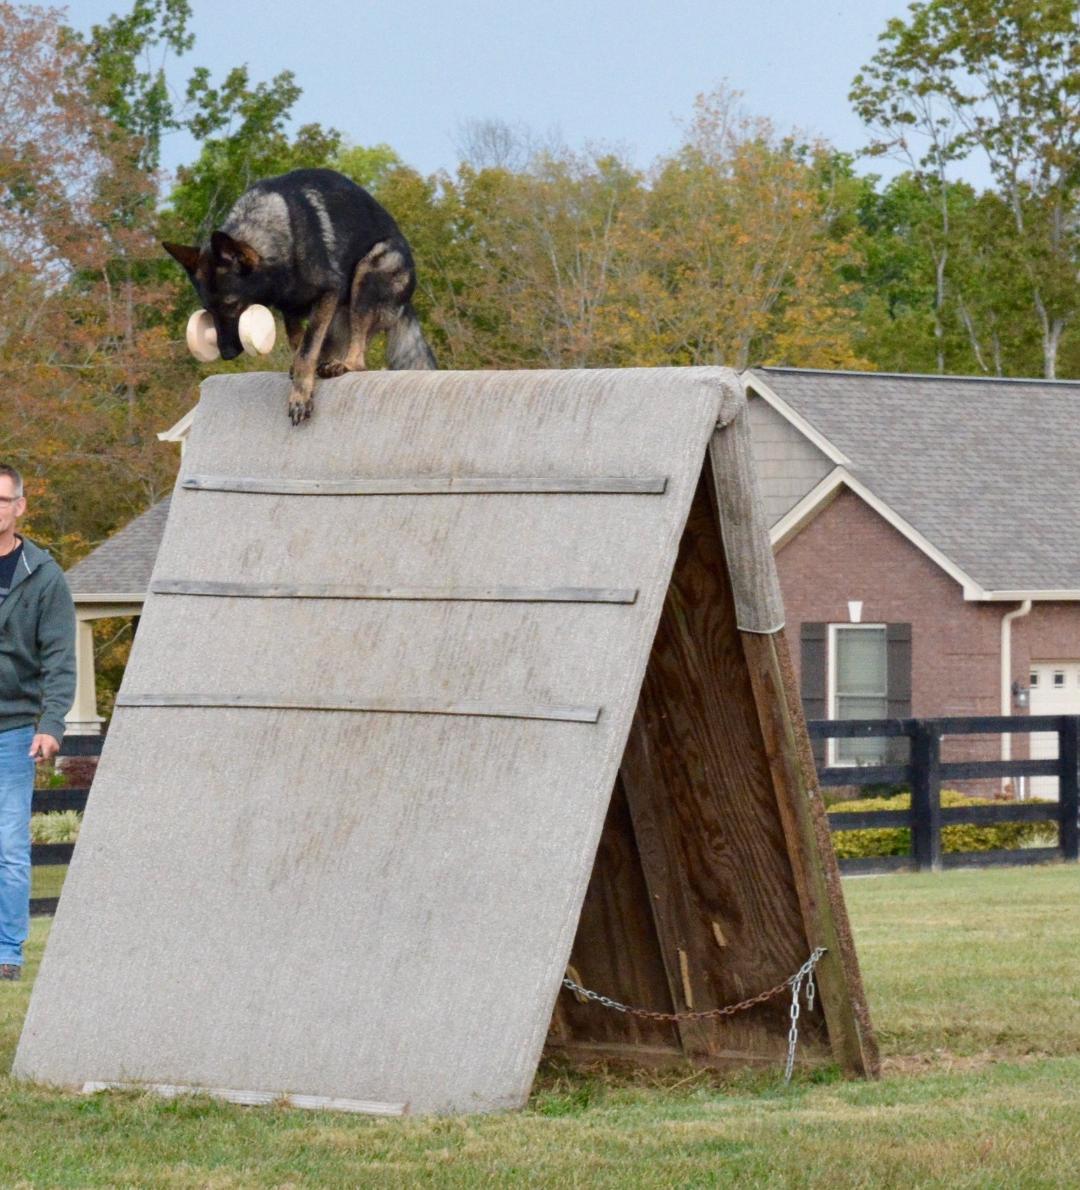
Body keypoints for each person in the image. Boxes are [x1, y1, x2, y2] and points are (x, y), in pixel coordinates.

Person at [0, 465, 75, 980]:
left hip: (14, 732)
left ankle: (7, 954)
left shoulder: (43, 575)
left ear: (20, 507)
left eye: (2, 500)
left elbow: (60, 659)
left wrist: (51, 724)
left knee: (8, 849)